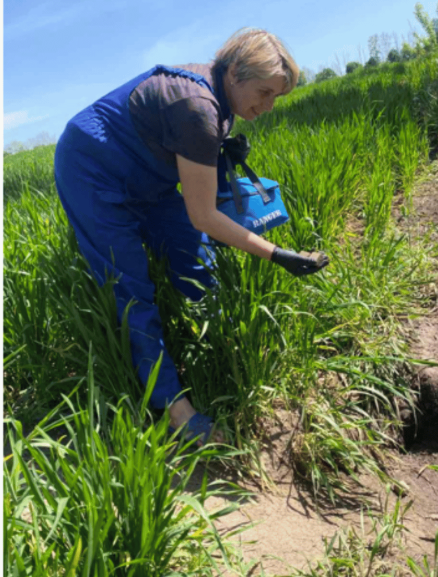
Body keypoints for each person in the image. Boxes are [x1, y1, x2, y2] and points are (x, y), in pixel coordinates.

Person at [53, 28, 330, 443]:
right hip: (92, 168)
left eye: (277, 97)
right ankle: (174, 409)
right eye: (265, 92)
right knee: (131, 287)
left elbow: (197, 183)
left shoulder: (221, 97)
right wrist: (277, 254)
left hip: (148, 173)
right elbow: (203, 216)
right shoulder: (197, 107)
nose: (269, 106)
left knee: (198, 261)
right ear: (235, 71)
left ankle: (223, 345)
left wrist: (220, 153)